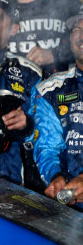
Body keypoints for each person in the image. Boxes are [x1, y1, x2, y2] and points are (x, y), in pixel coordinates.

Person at [0, 0, 42, 189]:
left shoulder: (29, 72)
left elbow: (49, 134)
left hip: (8, 185)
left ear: (14, 29)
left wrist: (28, 125)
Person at [31, 13, 83, 207]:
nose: (82, 36)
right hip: (69, 208)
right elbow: (47, 145)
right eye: (77, 29)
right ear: (70, 38)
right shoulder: (50, 90)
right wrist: (55, 175)